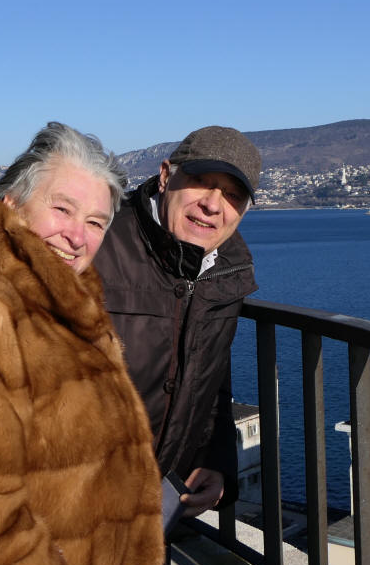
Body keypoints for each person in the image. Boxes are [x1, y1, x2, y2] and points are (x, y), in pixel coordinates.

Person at [0, 122, 163, 565]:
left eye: (95, 222)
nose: (77, 237)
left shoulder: (70, 313)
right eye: (62, 209)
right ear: (12, 204)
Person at [94, 125, 260, 517]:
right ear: (166, 176)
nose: (213, 205)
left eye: (233, 195)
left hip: (155, 512)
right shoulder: (95, 241)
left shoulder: (228, 266)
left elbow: (211, 377)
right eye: (201, 182)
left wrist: (215, 460)